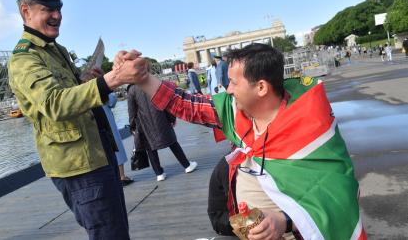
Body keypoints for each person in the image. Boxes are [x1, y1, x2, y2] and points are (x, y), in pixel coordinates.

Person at [116, 43, 366, 240]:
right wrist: (143, 78)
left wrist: (284, 221)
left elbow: (339, 193)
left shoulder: (311, 124)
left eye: (234, 82)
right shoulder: (237, 111)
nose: (228, 89)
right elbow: (186, 104)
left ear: (261, 87)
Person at [7, 0, 147, 240]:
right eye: (48, 9)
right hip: (79, 167)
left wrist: (91, 81)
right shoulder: (24, 58)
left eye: (59, 9)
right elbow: (54, 104)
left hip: (97, 154)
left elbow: (70, 96)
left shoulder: (55, 50)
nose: (57, 15)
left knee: (116, 230)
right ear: (25, 11)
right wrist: (112, 80)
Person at [127, 68, 197, 181]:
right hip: (161, 117)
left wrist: (133, 126)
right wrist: (172, 118)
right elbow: (166, 101)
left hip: (144, 123)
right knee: (172, 142)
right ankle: (187, 165)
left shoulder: (132, 89)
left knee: (150, 147)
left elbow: (131, 111)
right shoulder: (154, 82)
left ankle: (159, 173)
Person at [103, 92, 134, 186]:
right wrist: (110, 91)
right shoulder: (99, 89)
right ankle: (121, 176)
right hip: (107, 121)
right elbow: (112, 102)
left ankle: (112, 178)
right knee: (116, 147)